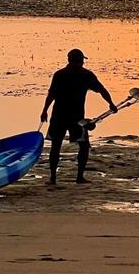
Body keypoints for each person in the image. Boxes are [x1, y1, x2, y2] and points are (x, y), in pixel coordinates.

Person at [40, 48, 118, 185]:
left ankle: (53, 178)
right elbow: (102, 90)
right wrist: (111, 104)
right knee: (83, 145)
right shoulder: (86, 75)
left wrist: (44, 110)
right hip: (76, 117)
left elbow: (51, 95)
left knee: (56, 145)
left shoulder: (59, 74)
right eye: (82, 60)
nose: (83, 63)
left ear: (69, 60)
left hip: (59, 114)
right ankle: (79, 177)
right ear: (80, 60)